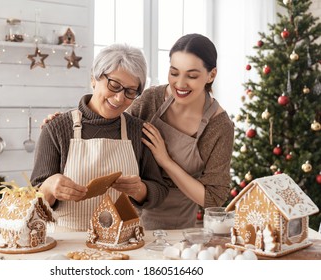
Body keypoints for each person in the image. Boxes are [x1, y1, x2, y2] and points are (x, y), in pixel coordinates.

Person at [31, 44, 169, 232]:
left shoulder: (137, 131)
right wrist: (49, 187)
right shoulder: (56, 129)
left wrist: (141, 189)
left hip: (125, 239)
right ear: (94, 79)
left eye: (130, 91)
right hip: (71, 241)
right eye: (114, 85)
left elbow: (159, 191)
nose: (120, 98)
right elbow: (34, 200)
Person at [126, 33, 234, 230]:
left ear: (211, 75)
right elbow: (113, 129)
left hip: (176, 225)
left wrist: (165, 160)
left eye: (192, 76)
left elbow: (213, 199)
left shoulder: (219, 126)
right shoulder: (151, 100)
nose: (180, 84)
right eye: (174, 73)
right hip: (127, 211)